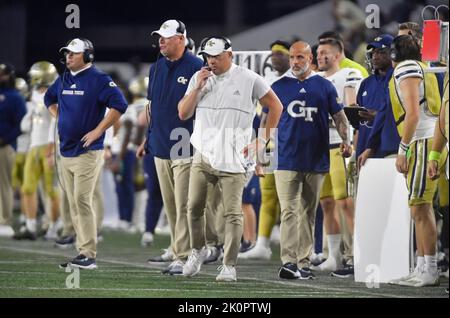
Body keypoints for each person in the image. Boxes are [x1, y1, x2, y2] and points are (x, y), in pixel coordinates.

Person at [178, 36, 283, 281]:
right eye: (208, 56)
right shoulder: (199, 77)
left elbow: (276, 106)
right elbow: (183, 113)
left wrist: (262, 140)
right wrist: (197, 88)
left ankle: (229, 265)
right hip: (203, 153)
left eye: (216, 56)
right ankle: (197, 251)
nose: (211, 61)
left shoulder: (249, 78)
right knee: (193, 207)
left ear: (230, 54)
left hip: (234, 156)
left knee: (233, 213)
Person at [45, 38, 128, 269]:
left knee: (82, 200)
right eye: (67, 53)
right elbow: (48, 98)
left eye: (74, 53)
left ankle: (88, 254)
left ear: (88, 56)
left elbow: (120, 106)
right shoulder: (63, 79)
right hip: (66, 151)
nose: (68, 57)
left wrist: (98, 130)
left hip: (87, 151)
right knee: (73, 203)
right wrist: (59, 117)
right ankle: (82, 251)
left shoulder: (99, 79)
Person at [272, 41, 351, 280]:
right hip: (285, 159)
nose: (295, 62)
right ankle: (288, 261)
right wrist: (259, 151)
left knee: (307, 213)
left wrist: (346, 141)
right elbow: (268, 121)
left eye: (299, 57)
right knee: (288, 211)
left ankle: (303, 262)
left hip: (315, 158)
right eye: (292, 58)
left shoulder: (324, 86)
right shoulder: (278, 86)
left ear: (309, 58)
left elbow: (339, 116)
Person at [136, 20, 203, 275]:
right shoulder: (156, 67)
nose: (161, 41)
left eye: (166, 36)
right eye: (159, 37)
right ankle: (179, 251)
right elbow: (151, 106)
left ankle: (186, 254)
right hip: (160, 143)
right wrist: (147, 139)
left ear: (182, 39)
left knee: (185, 204)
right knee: (172, 204)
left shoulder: (197, 66)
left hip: (185, 142)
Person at [387, 35, 444, 287]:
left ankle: (430, 268)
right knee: (418, 207)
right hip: (428, 137)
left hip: (422, 139)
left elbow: (412, 114)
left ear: (394, 55)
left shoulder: (406, 68)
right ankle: (422, 266)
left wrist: (403, 148)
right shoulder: (421, 66)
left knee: (421, 207)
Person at [313, 39, 362, 276]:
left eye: (325, 53)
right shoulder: (315, 80)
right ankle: (334, 256)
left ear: (338, 53)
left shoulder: (349, 74)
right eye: (318, 52)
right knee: (327, 203)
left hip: (341, 145)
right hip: (321, 145)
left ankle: (355, 256)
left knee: (345, 201)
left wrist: (350, 141)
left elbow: (352, 110)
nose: (320, 56)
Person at [239, 39, 291, 261]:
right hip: (269, 143)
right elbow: (263, 117)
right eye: (273, 54)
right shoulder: (268, 81)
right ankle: (261, 243)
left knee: (292, 200)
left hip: (288, 143)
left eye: (280, 53)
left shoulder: (298, 80)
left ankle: (312, 250)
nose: (275, 57)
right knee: (268, 196)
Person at [13, 61, 60, 241]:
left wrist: (52, 146)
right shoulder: (34, 94)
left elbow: (57, 121)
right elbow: (30, 121)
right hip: (34, 145)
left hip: (48, 146)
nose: (32, 79)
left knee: (51, 190)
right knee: (27, 188)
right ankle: (31, 226)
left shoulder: (54, 92)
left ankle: (54, 227)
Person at [0, 63, 27, 237]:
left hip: (6, 146)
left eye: (3, 74)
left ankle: (4, 221)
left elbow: (21, 125)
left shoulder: (15, 97)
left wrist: (5, 139)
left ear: (10, 76)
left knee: (4, 185)